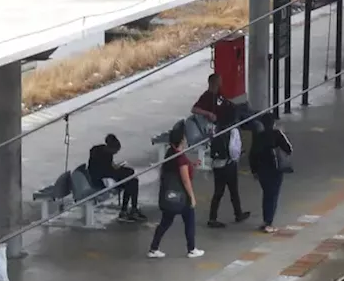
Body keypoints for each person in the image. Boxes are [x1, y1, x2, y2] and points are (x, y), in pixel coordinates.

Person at [148, 124, 204, 259]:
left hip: (169, 195)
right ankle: (191, 249)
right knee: (189, 220)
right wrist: (192, 197)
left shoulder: (171, 153)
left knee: (165, 222)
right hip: (181, 196)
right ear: (181, 141)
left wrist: (192, 165)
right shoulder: (181, 160)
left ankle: (154, 248)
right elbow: (185, 180)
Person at [207, 102, 250, 228]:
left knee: (218, 191)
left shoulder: (216, 127)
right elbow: (234, 150)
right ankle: (238, 213)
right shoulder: (233, 130)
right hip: (228, 164)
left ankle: (212, 217)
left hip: (216, 164)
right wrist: (237, 157)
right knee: (233, 190)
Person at [249, 111, 293, 234]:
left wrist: (254, 171)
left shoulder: (258, 136)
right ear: (273, 123)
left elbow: (252, 156)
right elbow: (289, 149)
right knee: (273, 196)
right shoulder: (277, 134)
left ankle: (265, 220)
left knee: (266, 195)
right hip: (276, 170)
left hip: (262, 171)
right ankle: (269, 222)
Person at [89, 134, 145, 222]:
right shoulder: (105, 155)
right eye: (116, 150)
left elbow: (109, 167)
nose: (116, 152)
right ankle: (129, 209)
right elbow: (107, 171)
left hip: (104, 176)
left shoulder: (100, 150)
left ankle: (127, 210)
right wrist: (119, 170)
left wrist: (117, 168)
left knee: (131, 179)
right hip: (101, 180)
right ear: (112, 148)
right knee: (132, 181)